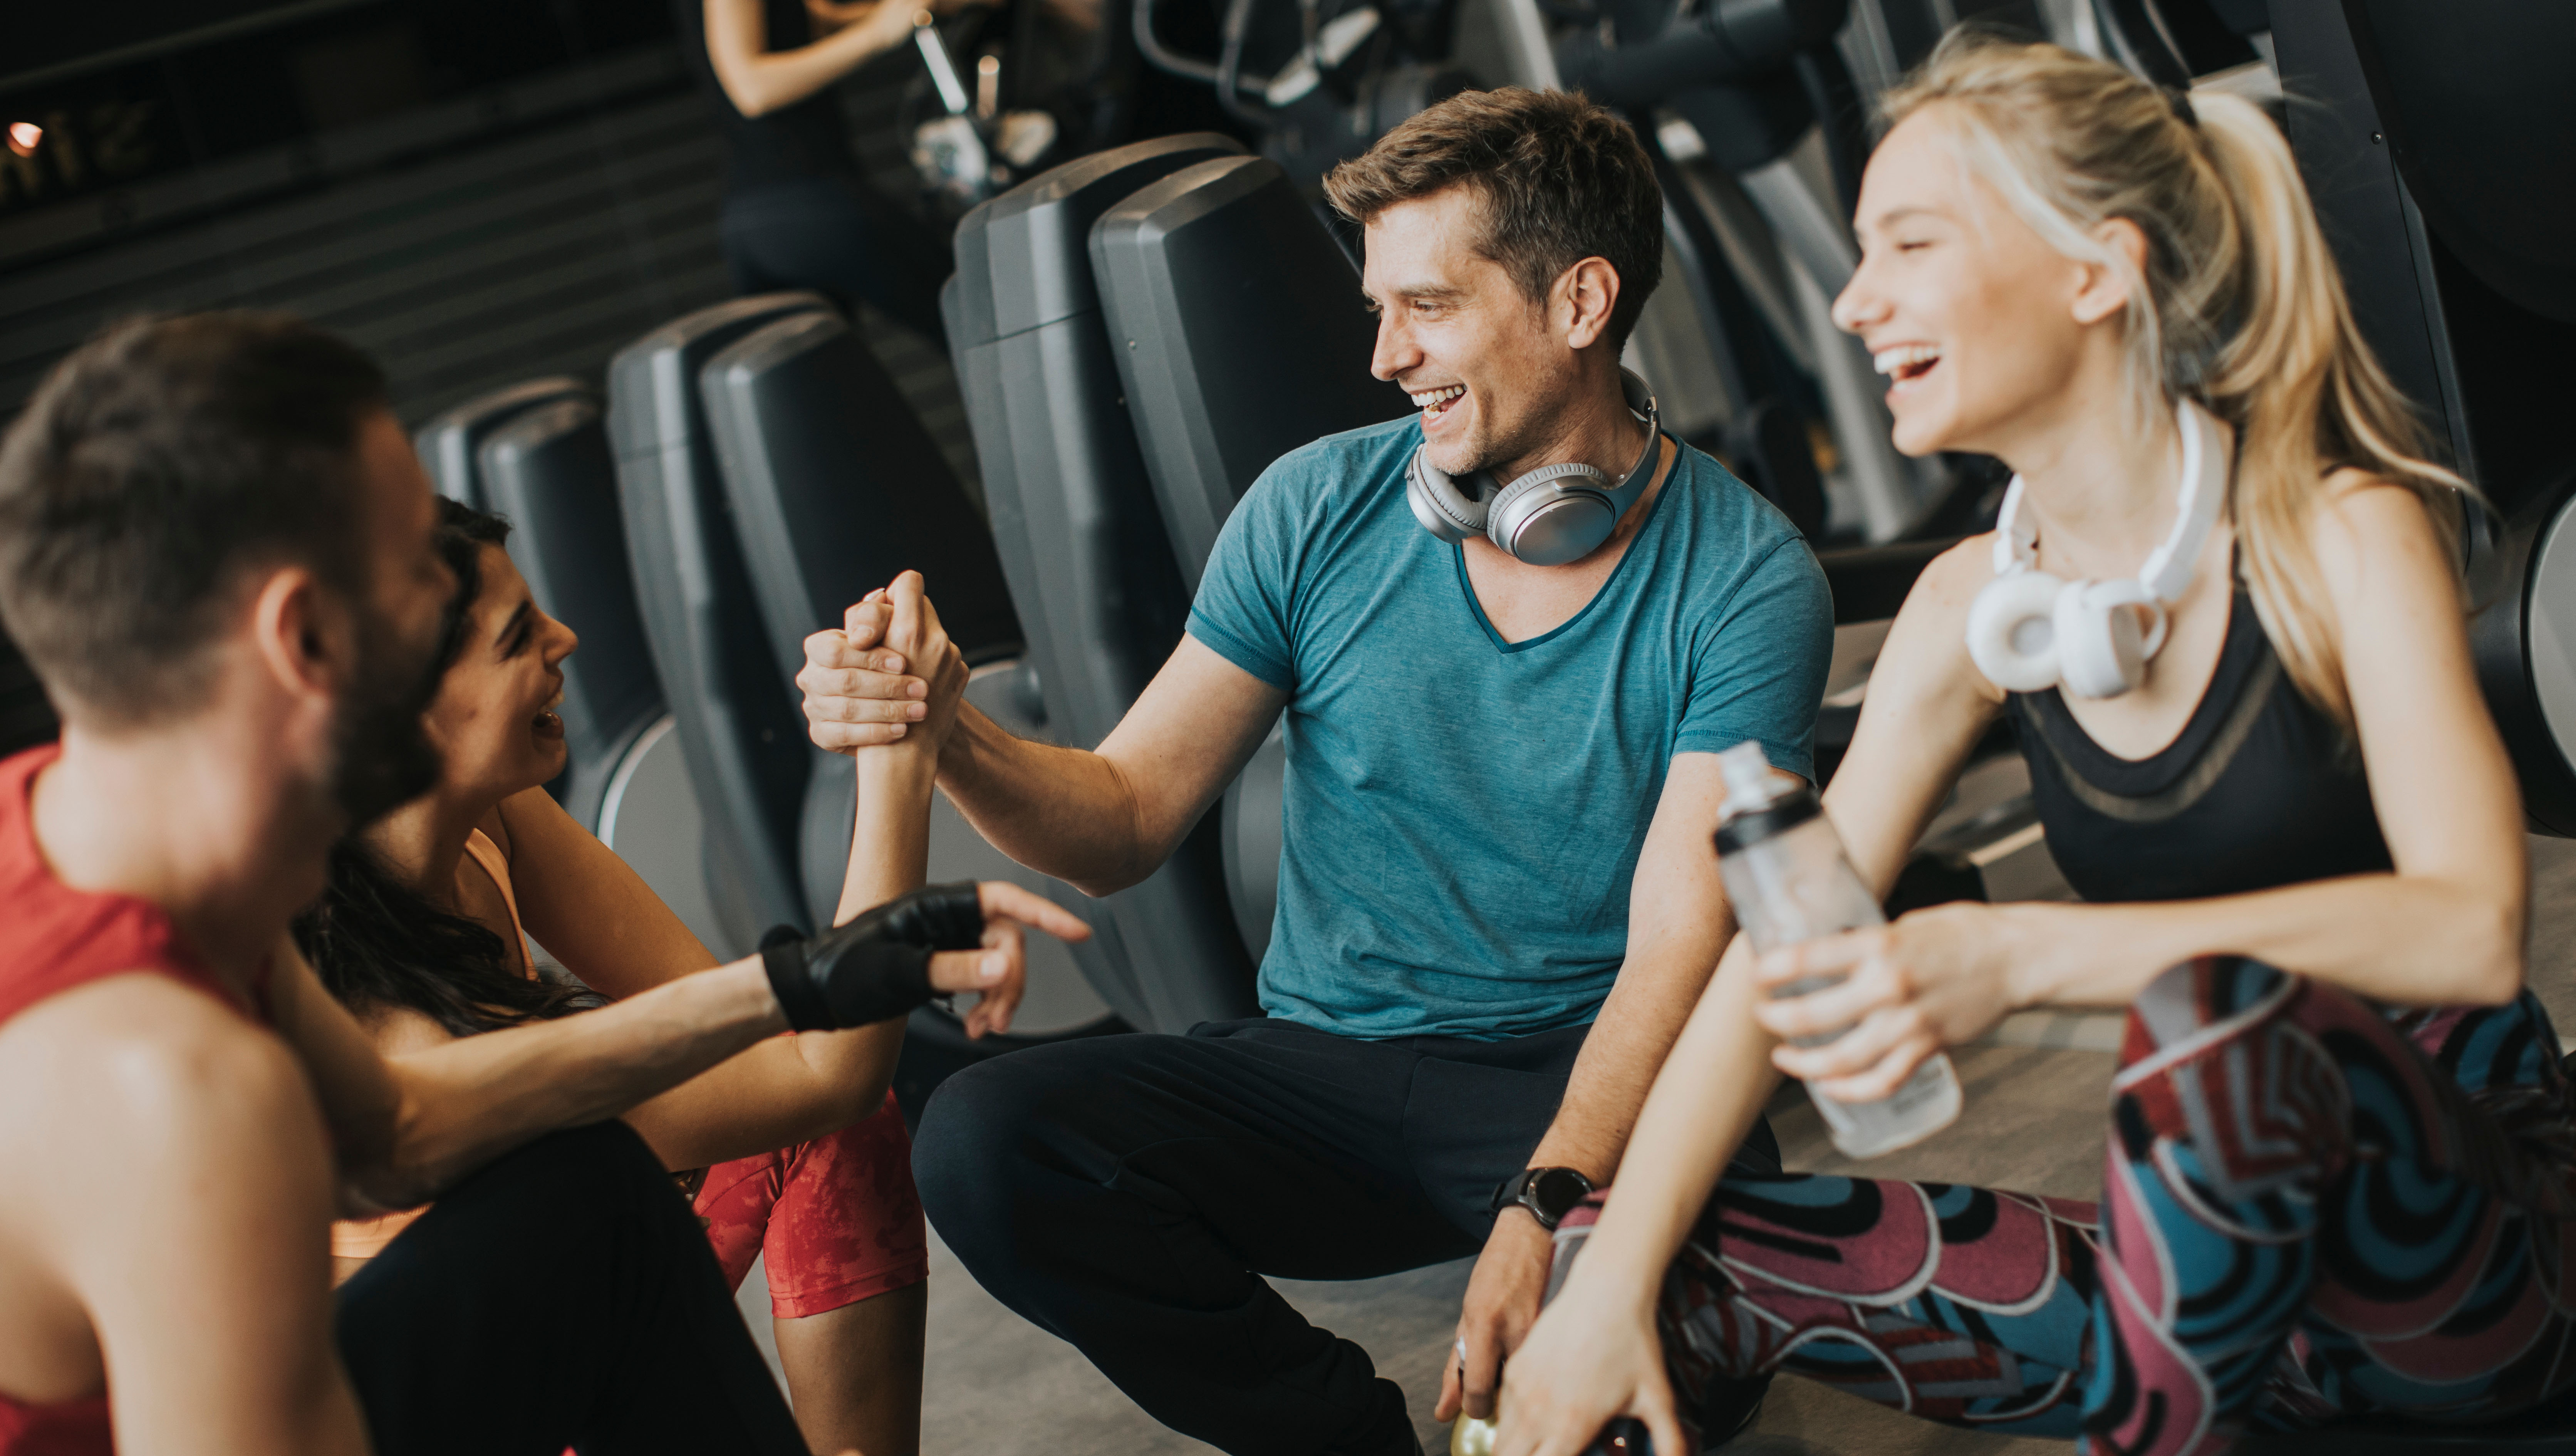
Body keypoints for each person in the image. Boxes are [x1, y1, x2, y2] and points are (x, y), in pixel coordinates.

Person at [1495, 34, 2572, 1456]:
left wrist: (2015, 958)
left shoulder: (2334, 533)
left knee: (2208, 1032)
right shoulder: (1964, 608)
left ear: (2091, 269)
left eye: (1909, 243)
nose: (1852, 297)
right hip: (2190, 1278)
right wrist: (1598, 1268)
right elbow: (1770, 968)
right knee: (1622, 1254)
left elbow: (2466, 929)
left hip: (2459, 1258)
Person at [795, 88, 1836, 1454]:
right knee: (989, 1143)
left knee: (1639, 1376)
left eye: (1430, 308)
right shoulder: (1314, 506)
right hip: (1327, 1075)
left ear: (1581, 304)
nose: (1387, 358)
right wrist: (948, 728)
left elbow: (1676, 955)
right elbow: (1120, 820)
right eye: (1376, 311)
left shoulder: (1744, 581)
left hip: (1590, 1074)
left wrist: (1549, 1211)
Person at [0, 310, 1081, 1456]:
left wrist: (797, 983)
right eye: (419, 561)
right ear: (305, 640)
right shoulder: (173, 1092)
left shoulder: (103, 828)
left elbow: (393, 1131)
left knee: (586, 1193)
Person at [297, 501, 992, 1456]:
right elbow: (822, 1071)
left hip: (567, 1270)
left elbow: (761, 1057)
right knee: (680, 1149)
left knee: (819, 1130)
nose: (565, 639)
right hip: (473, 1405)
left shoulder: (492, 815)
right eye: (517, 638)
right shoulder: (382, 1019)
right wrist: (901, 759)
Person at [681, 0, 964, 343]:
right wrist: (878, 34)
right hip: (805, 199)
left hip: (758, 218)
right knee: (976, 322)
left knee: (825, 385)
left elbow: (809, 22)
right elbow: (751, 87)